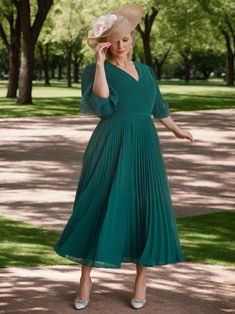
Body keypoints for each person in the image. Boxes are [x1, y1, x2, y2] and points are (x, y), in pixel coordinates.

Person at [54, 2, 194, 311]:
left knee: (146, 204)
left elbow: (158, 106)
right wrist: (101, 64)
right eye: (114, 40)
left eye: (126, 39)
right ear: (106, 43)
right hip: (111, 142)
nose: (121, 45)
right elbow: (102, 102)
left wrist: (176, 130)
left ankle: (141, 279)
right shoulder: (94, 70)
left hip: (145, 144)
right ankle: (85, 279)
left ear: (132, 38)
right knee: (99, 203)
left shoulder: (145, 71)